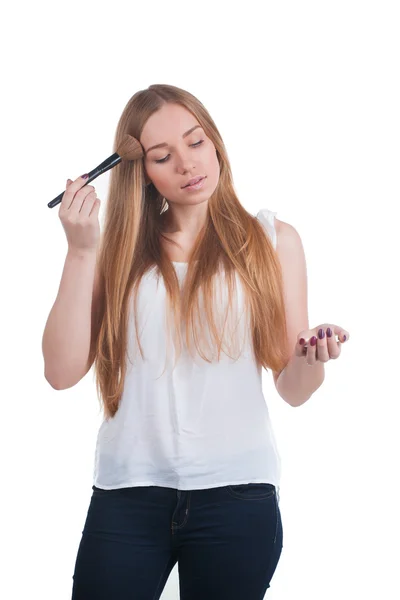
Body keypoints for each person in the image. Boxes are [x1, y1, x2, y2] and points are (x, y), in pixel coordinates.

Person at [43, 84, 349, 599]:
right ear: (142, 172)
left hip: (238, 496)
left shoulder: (272, 242)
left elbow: (293, 389)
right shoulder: (116, 251)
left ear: (216, 143)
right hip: (128, 495)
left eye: (196, 141)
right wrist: (80, 252)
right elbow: (60, 371)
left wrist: (310, 355)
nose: (187, 164)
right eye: (163, 156)